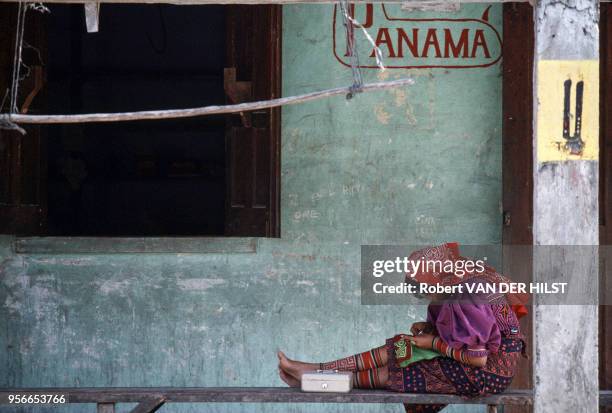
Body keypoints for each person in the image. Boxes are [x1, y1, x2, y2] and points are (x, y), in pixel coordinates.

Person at [278, 243, 528, 413]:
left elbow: (479, 359)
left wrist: (431, 343)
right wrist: (429, 329)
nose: (428, 297)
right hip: (472, 363)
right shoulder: (455, 284)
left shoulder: (470, 293)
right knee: (399, 346)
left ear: (438, 278)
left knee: (394, 372)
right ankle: (316, 371)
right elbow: (462, 331)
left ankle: (315, 377)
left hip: (490, 373)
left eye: (427, 289)